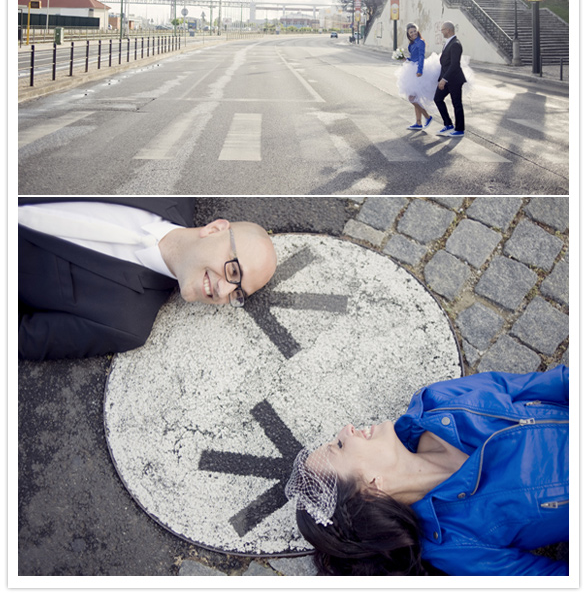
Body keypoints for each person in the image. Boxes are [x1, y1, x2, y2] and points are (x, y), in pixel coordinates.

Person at [285, 366, 569, 576]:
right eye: (339, 446)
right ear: (372, 488)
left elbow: (550, 383)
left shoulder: (436, 402)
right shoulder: (453, 545)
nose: (345, 430)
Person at [18, 197, 277, 361]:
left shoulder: (124, 323)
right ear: (215, 229)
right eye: (233, 272)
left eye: (236, 294)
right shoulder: (172, 189)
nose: (223, 291)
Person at [396, 23, 440, 130]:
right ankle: (418, 123)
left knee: (412, 98)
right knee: (415, 98)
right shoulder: (411, 44)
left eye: (415, 31)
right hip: (412, 68)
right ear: (409, 35)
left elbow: (421, 57)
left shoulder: (421, 42)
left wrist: (419, 71)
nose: (413, 33)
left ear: (417, 31)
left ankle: (427, 117)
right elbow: (413, 57)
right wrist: (405, 59)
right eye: (411, 32)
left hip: (418, 70)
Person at [434, 21, 467, 137]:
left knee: (456, 103)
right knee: (437, 98)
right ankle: (448, 124)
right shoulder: (448, 43)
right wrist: (440, 78)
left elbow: (454, 65)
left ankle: (459, 130)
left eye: (442, 30)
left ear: (448, 30)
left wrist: (444, 79)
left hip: (454, 79)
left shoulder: (455, 44)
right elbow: (445, 64)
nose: (441, 32)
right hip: (446, 78)